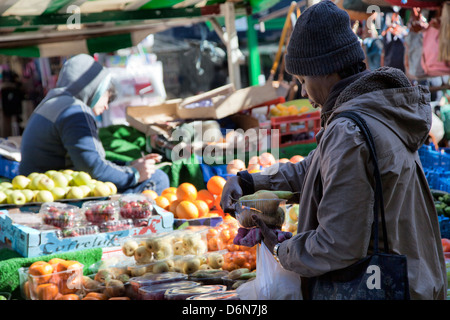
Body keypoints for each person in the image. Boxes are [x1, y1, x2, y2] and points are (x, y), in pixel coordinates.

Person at [221, 0, 447, 300]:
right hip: (411, 279)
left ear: (325, 71)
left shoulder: (349, 130)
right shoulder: (370, 112)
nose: (303, 92)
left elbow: (337, 244)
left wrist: (279, 247)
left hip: (382, 289)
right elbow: (312, 169)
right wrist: (250, 181)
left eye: (303, 80)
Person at [19, 54, 170, 195]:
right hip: (57, 195)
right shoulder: (74, 110)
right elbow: (93, 169)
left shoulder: (52, 103)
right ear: (95, 88)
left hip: (42, 188)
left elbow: (87, 161)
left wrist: (128, 164)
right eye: (107, 97)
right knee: (157, 178)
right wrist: (135, 175)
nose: (106, 107)